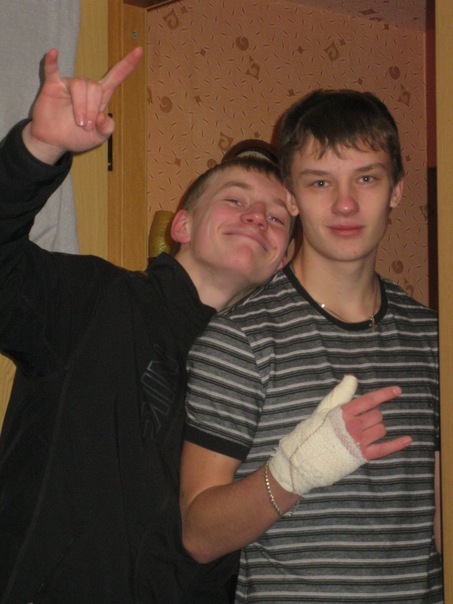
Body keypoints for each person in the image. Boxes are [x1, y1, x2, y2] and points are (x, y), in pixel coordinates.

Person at [0, 47, 297, 604]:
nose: (257, 216)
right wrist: (37, 149)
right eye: (235, 199)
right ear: (181, 225)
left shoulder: (268, 373)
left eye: (277, 217)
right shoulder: (94, 299)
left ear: (282, 261)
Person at [180, 89, 443, 603]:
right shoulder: (240, 340)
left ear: (396, 189)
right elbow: (199, 535)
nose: (345, 204)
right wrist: (292, 474)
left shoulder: (435, 340)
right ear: (292, 198)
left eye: (366, 178)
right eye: (320, 182)